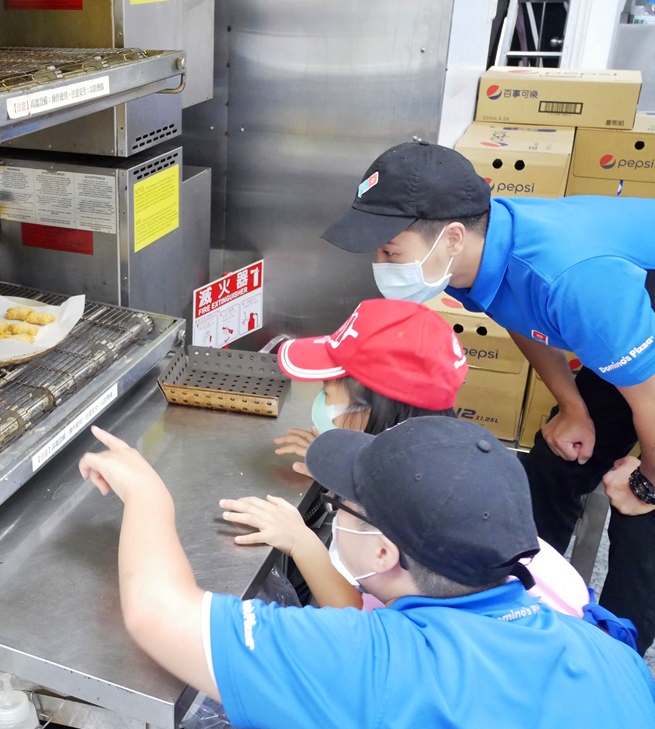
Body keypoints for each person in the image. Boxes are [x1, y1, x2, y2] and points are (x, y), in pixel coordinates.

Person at [78, 418, 655, 729]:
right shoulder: (599, 644)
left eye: (339, 506)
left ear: (383, 553)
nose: (334, 514)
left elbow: (156, 612)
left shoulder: (381, 665)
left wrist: (148, 495)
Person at [322, 139, 655, 654]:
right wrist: (572, 407)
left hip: (625, 316)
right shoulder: (472, 255)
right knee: (555, 462)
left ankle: (610, 662)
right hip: (626, 331)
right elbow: (518, 313)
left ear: (451, 237)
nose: (381, 262)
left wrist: (646, 483)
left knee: (641, 523)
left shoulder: (573, 280)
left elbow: (649, 401)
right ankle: (518, 605)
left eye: (390, 251)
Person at [226, 297, 596, 623]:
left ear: (368, 406)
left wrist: (301, 541)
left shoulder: (404, 512)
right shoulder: (452, 456)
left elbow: (362, 621)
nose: (321, 401)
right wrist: (340, 463)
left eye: (327, 390)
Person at [272, 297, 465, 479]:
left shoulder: (417, 490)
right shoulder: (424, 458)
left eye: (327, 391)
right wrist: (342, 470)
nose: (323, 400)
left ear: (374, 407)